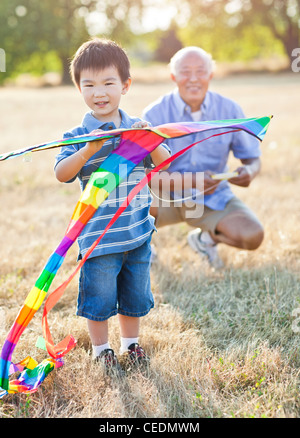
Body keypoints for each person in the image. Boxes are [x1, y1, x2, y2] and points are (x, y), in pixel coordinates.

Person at [54, 38, 170, 376]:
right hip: (99, 237)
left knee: (134, 295)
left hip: (136, 232)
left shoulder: (136, 129)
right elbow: (63, 173)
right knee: (99, 299)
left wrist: (152, 140)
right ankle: (101, 350)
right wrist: (89, 149)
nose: (99, 92)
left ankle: (130, 344)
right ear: (79, 88)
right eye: (88, 84)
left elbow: (163, 165)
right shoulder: (77, 135)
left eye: (108, 82)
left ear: (125, 85)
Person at [142, 46, 264, 269]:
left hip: (212, 199)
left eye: (200, 71)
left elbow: (253, 159)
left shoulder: (230, 110)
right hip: (163, 200)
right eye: (185, 72)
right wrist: (192, 181)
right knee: (124, 200)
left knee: (253, 235)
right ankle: (143, 246)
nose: (193, 79)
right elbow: (144, 176)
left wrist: (250, 172)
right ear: (173, 76)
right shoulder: (154, 115)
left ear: (211, 75)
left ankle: (203, 240)